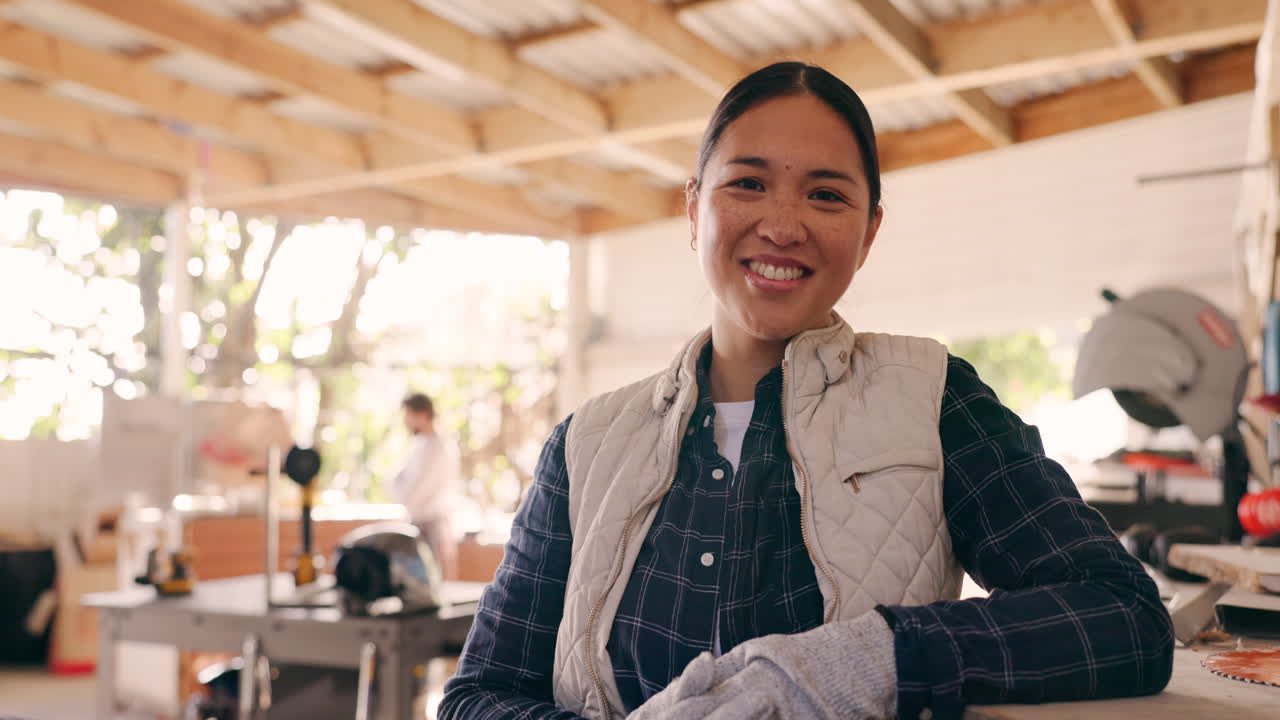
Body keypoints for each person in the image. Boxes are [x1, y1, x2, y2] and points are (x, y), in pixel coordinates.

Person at [439, 62, 1173, 720]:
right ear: (693, 209)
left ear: (869, 231)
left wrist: (872, 659)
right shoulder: (586, 444)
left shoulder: (933, 400)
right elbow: (478, 695)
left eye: (826, 195)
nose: (782, 225)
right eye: (747, 183)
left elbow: (1124, 615)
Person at [389, 392, 460, 580]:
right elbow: (398, 481)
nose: (406, 421)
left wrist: (400, 489)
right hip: (418, 521)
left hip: (431, 523)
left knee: (431, 582)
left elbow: (413, 490)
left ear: (422, 414)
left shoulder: (439, 447)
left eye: (408, 415)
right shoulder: (421, 444)